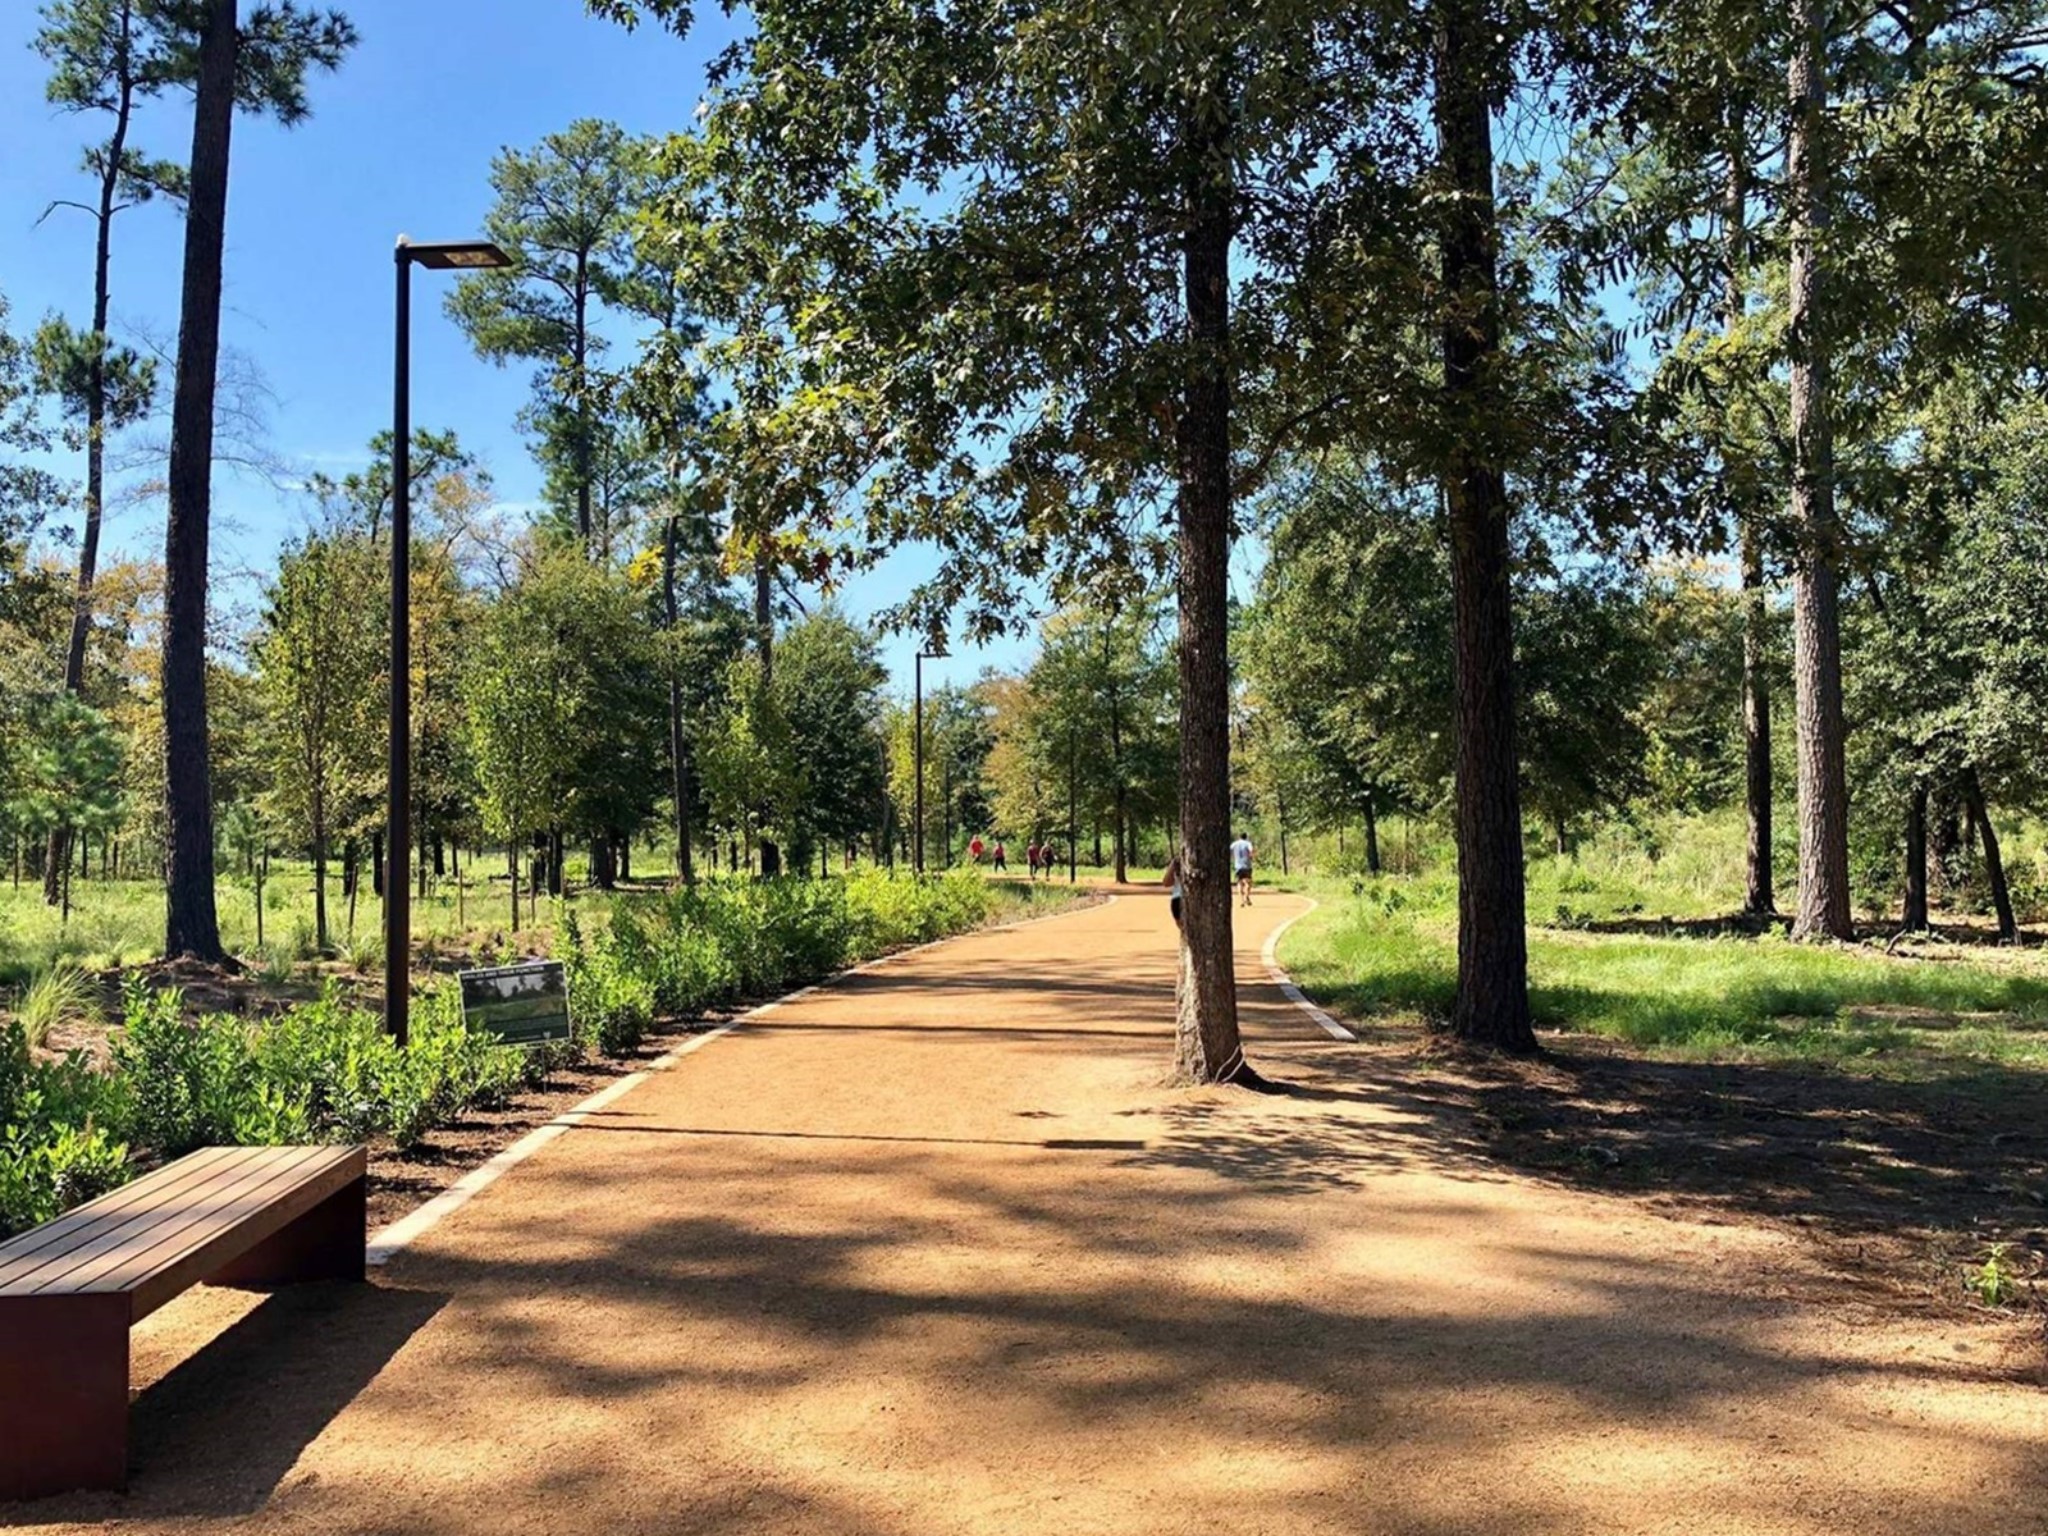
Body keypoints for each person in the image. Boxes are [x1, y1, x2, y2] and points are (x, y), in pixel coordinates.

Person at [1229, 830, 1255, 906]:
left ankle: (1242, 900)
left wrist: (1233, 857)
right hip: (1247, 865)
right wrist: (1251, 856)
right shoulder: (1248, 843)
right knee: (1248, 882)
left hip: (1238, 866)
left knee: (1239, 883)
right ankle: (1247, 896)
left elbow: (1229, 850)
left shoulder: (1234, 844)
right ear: (1246, 837)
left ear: (1239, 837)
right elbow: (1252, 850)